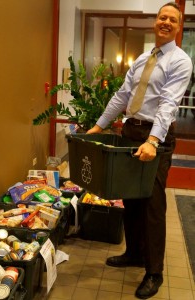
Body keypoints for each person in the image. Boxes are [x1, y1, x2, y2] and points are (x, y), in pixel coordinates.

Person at [87, 2, 193, 299]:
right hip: (131, 131)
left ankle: (154, 271)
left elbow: (169, 103)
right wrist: (100, 125)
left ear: (178, 26)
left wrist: (154, 141)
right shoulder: (143, 58)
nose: (166, 22)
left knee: (152, 204)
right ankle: (133, 252)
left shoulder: (180, 61)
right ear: (155, 22)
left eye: (173, 19)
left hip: (154, 138)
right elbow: (123, 94)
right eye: (162, 17)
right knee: (130, 198)